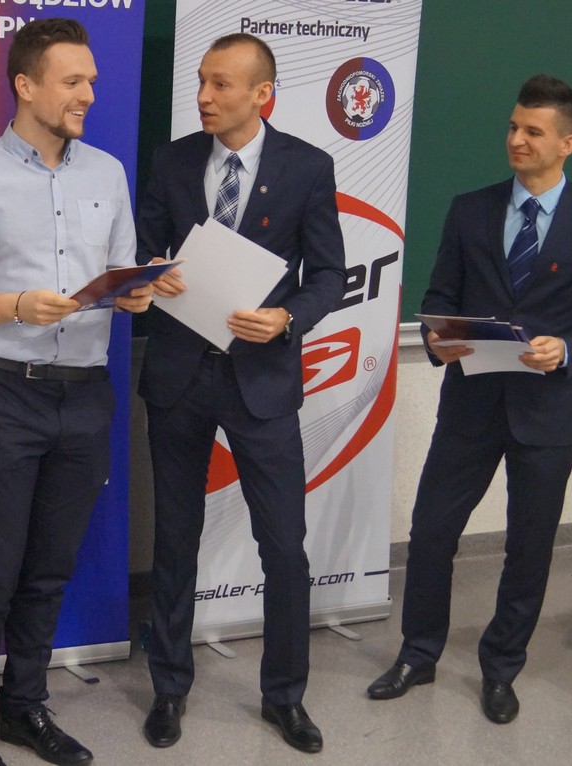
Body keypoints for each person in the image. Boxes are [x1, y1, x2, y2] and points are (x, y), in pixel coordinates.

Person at [0, 17, 151, 766]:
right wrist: (15, 305)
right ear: (25, 85)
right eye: (72, 81)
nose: (89, 94)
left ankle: (24, 707)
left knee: (49, 569)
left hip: (85, 395)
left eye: (91, 81)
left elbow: (118, 276)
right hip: (2, 394)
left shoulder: (107, 174)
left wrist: (135, 293)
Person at [366, 74, 572, 724]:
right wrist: (440, 340)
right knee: (432, 533)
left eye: (532, 131)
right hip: (471, 404)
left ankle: (501, 668)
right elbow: (438, 298)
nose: (516, 139)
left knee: (528, 546)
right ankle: (418, 654)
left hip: (547, 413)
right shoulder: (470, 210)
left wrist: (565, 349)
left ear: (566, 143)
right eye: (513, 126)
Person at [133, 33, 347, 754]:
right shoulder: (171, 161)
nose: (203, 96)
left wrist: (288, 318)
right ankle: (170, 687)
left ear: (262, 94)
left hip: (262, 379)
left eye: (220, 84)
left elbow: (328, 274)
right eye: (201, 81)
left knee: (284, 546)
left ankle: (284, 695)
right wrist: (151, 272)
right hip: (179, 374)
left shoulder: (307, 168)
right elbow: (143, 250)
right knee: (174, 539)